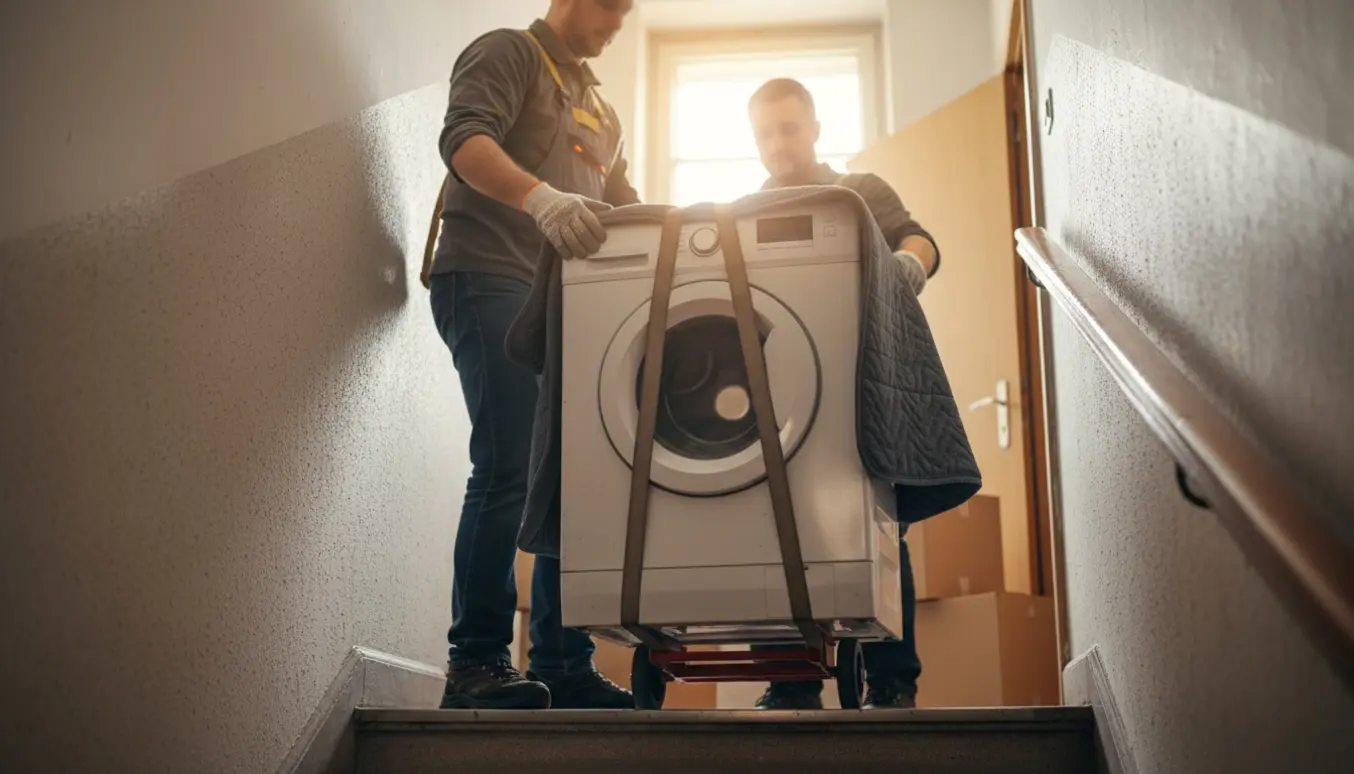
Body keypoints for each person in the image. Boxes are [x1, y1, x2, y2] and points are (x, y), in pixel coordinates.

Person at [427, 0, 639, 710]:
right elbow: (464, 139)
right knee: (509, 466)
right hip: (486, 276)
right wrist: (540, 198)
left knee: (575, 481)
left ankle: (562, 662)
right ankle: (476, 662)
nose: (618, 25)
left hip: (562, 303)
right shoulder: (510, 53)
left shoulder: (602, 113)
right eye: (613, 8)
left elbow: (627, 209)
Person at [745, 77, 941, 710]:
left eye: (790, 128)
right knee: (774, 527)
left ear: (815, 128)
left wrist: (908, 265)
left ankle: (891, 685)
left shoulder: (859, 192)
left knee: (878, 524)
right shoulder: (744, 210)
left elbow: (920, 240)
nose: (779, 143)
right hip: (780, 388)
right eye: (766, 133)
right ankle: (791, 682)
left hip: (862, 378)